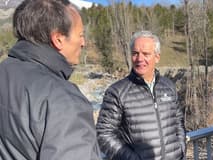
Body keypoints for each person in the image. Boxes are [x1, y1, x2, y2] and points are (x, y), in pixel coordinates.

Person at [0, 0, 101, 159]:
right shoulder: (65, 101)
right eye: (81, 35)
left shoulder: (4, 69)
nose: (84, 43)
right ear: (58, 39)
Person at [96, 30, 186, 160]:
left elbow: (178, 121)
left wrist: (181, 148)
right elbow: (103, 134)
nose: (139, 59)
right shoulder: (117, 92)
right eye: (135, 53)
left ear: (157, 57)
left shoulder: (168, 86)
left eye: (146, 54)